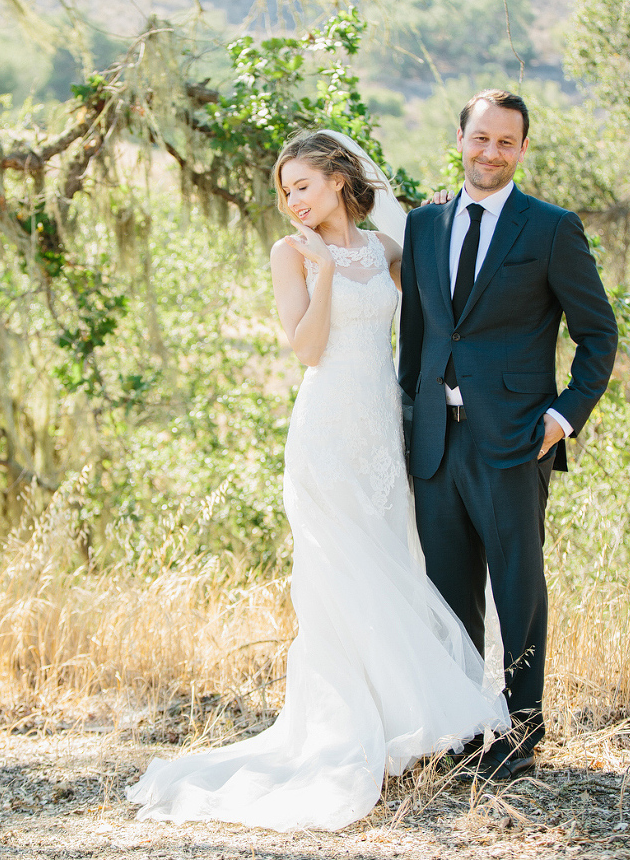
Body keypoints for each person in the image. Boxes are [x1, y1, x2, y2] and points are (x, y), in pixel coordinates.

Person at [126, 130, 511, 832]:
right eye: (284, 191)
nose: (291, 201)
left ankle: (403, 728)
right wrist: (324, 272)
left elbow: (433, 300)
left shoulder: (384, 250)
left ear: (339, 179)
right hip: (326, 432)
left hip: (380, 433)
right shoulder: (289, 253)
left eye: (301, 185)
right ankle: (344, 735)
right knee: (339, 578)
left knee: (389, 566)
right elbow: (304, 347)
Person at [399, 90, 619, 782]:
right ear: (459, 138)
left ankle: (521, 735)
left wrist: (561, 417)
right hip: (436, 441)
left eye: (505, 142)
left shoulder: (550, 229)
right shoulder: (424, 224)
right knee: (447, 591)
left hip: (515, 440)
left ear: (522, 149)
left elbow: (598, 335)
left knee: (517, 587)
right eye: (480, 138)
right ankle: (464, 729)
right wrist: (409, 421)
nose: (490, 152)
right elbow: (416, 338)